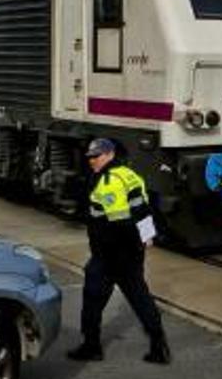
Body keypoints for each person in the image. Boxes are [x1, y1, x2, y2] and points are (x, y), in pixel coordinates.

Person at [67, 138, 171, 365]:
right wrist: (146, 237)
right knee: (140, 297)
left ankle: (91, 346)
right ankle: (159, 346)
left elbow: (116, 222)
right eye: (90, 157)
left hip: (110, 253)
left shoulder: (108, 181)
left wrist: (107, 250)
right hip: (132, 251)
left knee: (93, 297)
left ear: (109, 154)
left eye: (96, 156)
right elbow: (142, 208)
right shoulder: (130, 174)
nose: (92, 161)